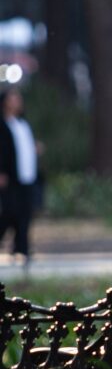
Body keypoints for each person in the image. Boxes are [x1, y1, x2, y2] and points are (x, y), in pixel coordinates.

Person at [0, 88, 42, 269]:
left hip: (27, 176)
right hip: (10, 177)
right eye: (13, 98)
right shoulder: (2, 125)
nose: (17, 102)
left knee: (25, 213)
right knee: (9, 212)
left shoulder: (23, 124)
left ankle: (22, 249)